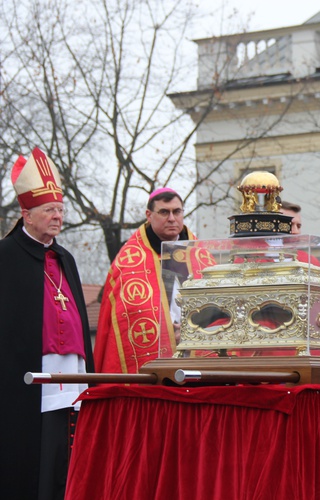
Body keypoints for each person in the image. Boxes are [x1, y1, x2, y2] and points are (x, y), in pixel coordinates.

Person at [0, 147, 94, 499]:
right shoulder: (6, 257)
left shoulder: (65, 257)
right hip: (29, 379)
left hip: (73, 376)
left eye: (60, 210)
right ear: (26, 213)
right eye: (49, 211)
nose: (57, 217)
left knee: (67, 467)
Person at [95, 188, 212, 373]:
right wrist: (166, 331)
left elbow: (217, 305)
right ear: (149, 215)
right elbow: (125, 315)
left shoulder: (201, 255)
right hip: (154, 361)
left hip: (196, 357)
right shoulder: (129, 260)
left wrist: (191, 328)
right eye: (164, 212)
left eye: (177, 211)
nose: (172, 218)